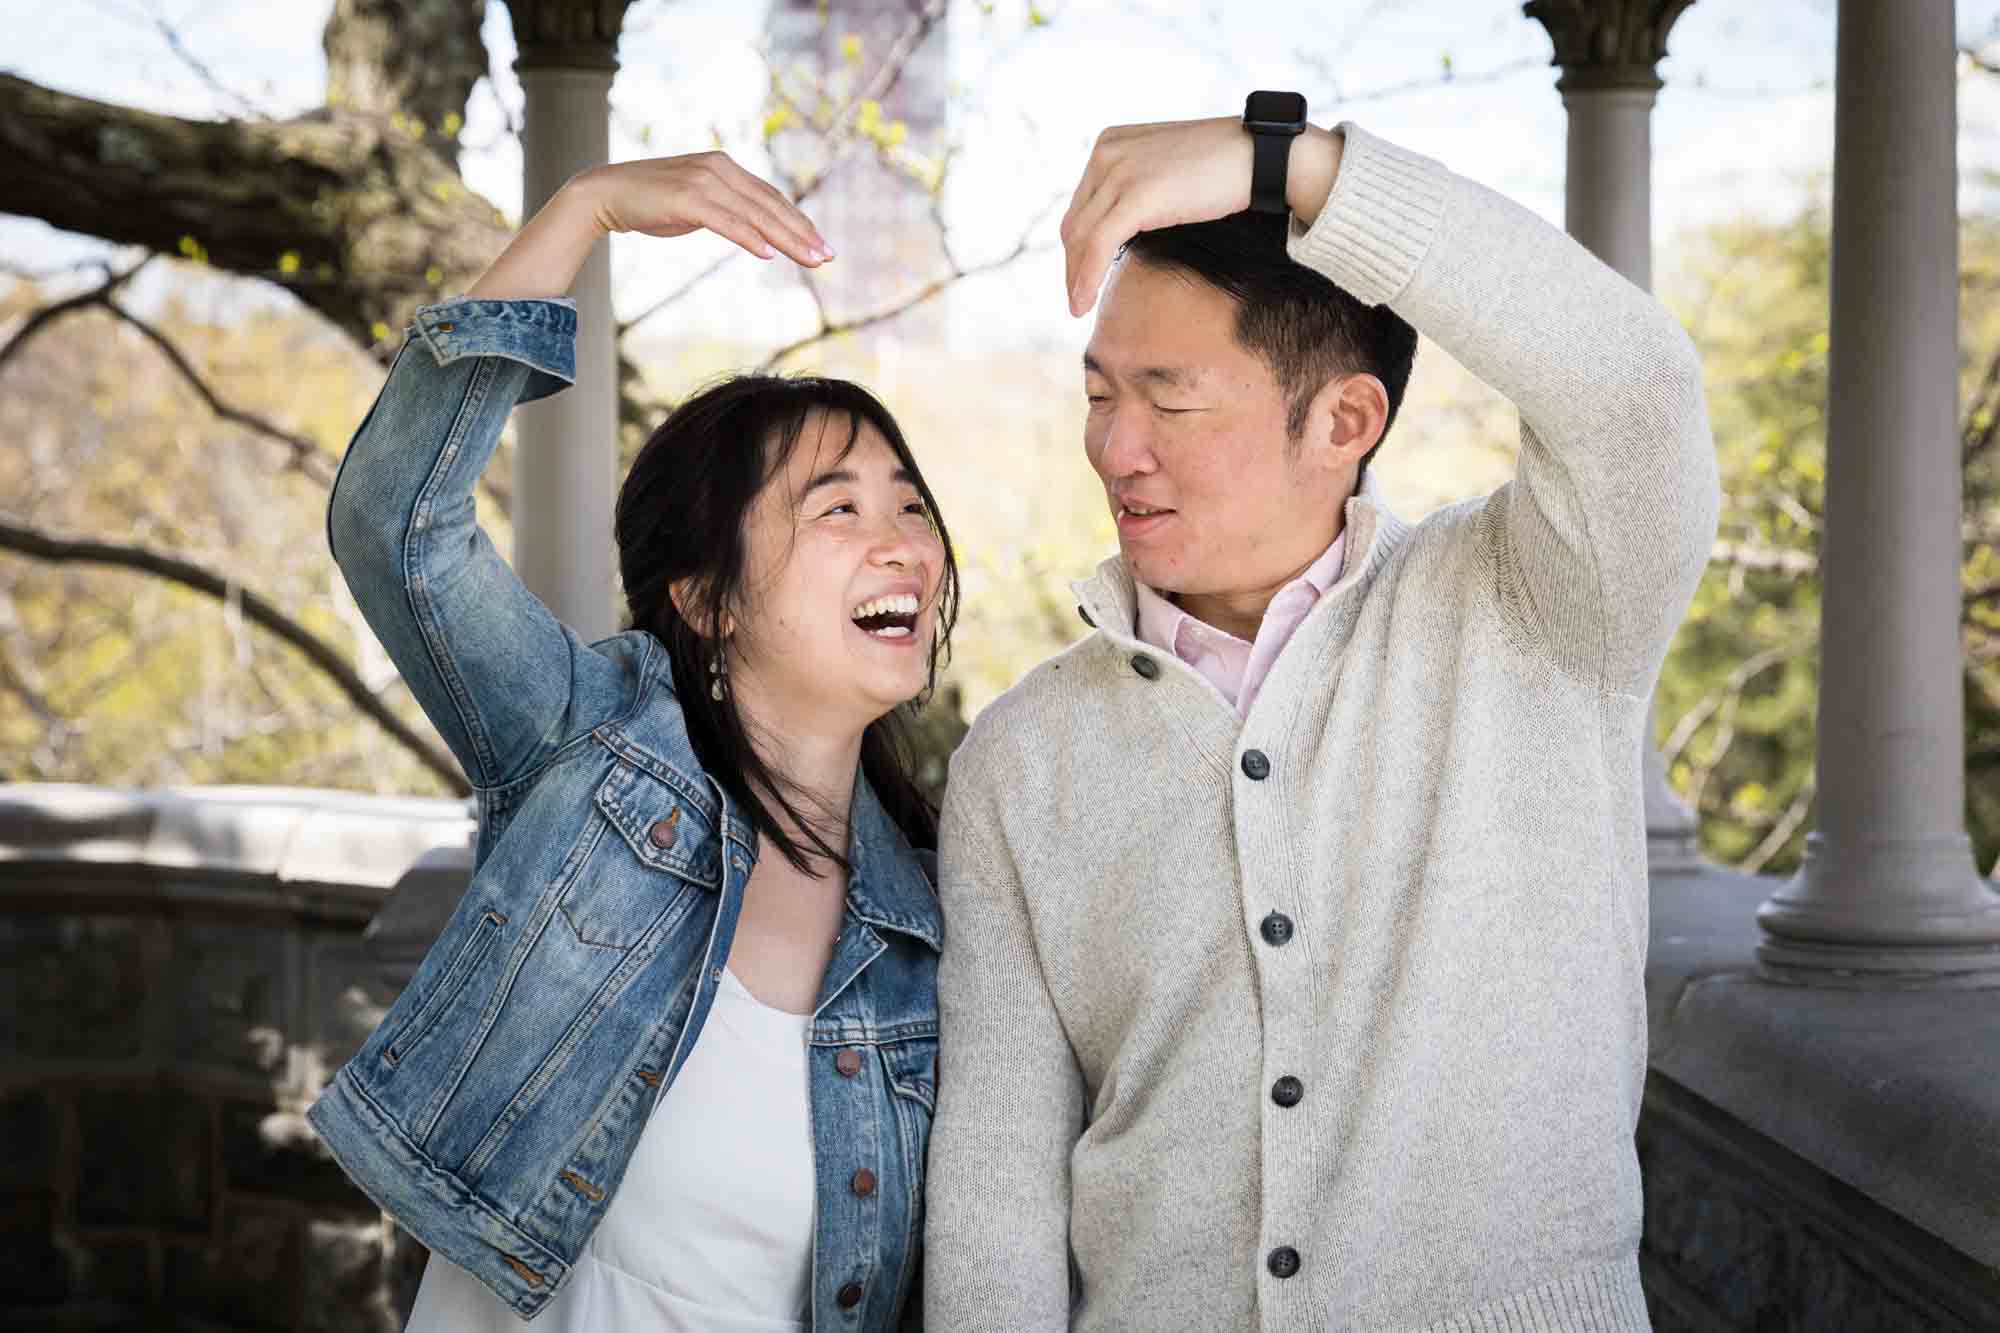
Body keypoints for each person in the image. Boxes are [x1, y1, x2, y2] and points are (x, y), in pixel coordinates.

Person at [923, 103, 1719, 1330]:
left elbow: (1632, 387)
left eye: (1168, 400)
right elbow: (996, 1194)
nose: (1113, 447)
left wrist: (1290, 164)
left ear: (1344, 421)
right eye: (1097, 394)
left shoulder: (1534, 610)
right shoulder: (1020, 762)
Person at [305, 149, 956, 1332]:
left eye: (910, 505)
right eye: (838, 509)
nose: (902, 541)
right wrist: (584, 208)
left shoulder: (933, 919)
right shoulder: (593, 746)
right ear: (705, 597)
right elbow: (396, 525)